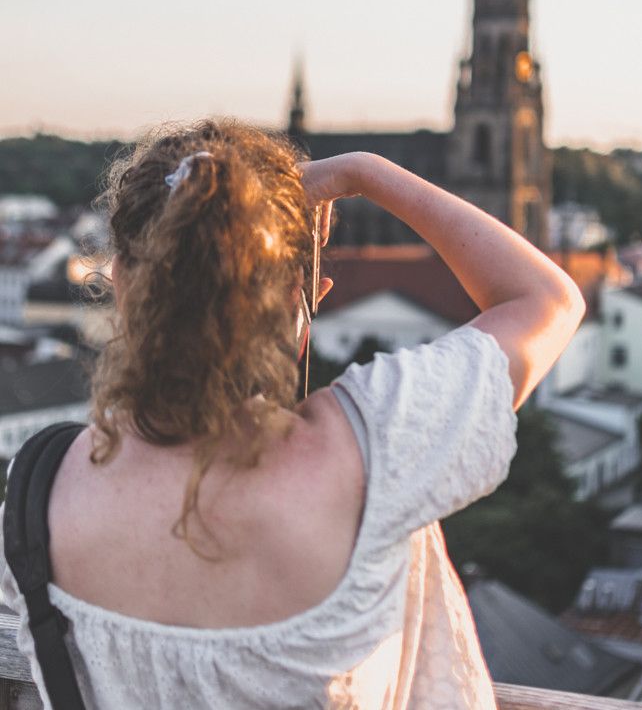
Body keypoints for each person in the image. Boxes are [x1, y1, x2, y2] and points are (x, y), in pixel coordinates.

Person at [0, 118, 585, 709]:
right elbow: (548, 301)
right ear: (295, 303)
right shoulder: (373, 449)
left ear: (122, 286)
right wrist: (364, 173)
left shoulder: (38, 490)